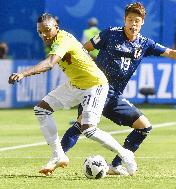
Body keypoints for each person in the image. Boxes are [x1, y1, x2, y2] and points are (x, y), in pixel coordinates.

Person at [61, 2, 176, 176]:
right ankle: (58, 156)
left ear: (142, 23)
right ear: (125, 20)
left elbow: (170, 52)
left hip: (114, 95)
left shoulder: (145, 43)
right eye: (130, 20)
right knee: (81, 125)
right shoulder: (110, 34)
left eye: (137, 21)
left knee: (144, 127)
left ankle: (115, 166)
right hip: (96, 89)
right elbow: (83, 49)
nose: (133, 24)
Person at [8, 13, 137, 176]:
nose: (43, 35)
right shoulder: (55, 40)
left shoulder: (62, 39)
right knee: (41, 110)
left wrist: (23, 74)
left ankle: (125, 154)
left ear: (56, 28)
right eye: (40, 32)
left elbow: (49, 64)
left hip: (94, 85)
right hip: (76, 84)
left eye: (47, 30)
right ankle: (58, 155)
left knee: (88, 129)